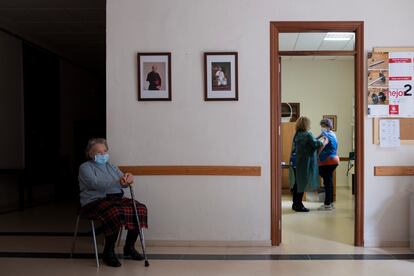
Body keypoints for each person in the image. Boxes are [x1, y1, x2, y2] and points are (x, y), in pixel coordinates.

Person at [78, 138, 148, 267]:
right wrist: (118, 181)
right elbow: (95, 184)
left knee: (140, 208)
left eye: (105, 151)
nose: (103, 154)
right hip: (94, 201)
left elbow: (124, 183)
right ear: (90, 154)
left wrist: (128, 179)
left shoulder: (112, 166)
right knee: (114, 212)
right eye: (99, 152)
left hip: (115, 199)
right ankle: (108, 252)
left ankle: (129, 247)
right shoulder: (85, 167)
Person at [289, 117, 328, 212]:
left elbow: (309, 142)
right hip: (304, 163)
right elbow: (315, 144)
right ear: (306, 124)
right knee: (302, 184)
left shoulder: (297, 135)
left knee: (297, 184)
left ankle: (295, 204)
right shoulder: (307, 134)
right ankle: (299, 205)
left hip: (296, 162)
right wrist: (324, 142)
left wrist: (317, 138)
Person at [317, 119, 339, 211]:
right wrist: (318, 136)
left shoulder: (326, 134)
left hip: (327, 161)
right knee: (329, 182)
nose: (322, 128)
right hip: (334, 159)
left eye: (323, 126)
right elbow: (319, 137)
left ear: (328, 126)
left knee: (327, 182)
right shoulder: (333, 134)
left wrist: (318, 154)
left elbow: (324, 143)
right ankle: (330, 203)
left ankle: (327, 204)